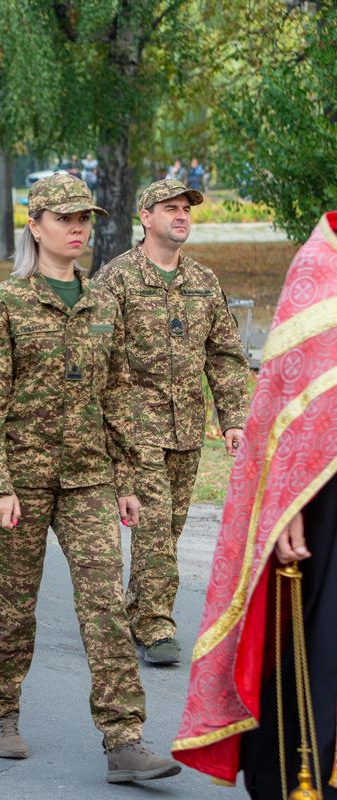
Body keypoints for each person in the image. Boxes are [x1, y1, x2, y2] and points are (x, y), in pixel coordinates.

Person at [0, 173, 179, 782]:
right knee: (14, 602)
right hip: (23, 480)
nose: (78, 229)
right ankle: (1, 708)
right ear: (35, 227)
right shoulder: (6, 303)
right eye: (65, 219)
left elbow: (116, 396)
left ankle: (124, 739)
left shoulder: (100, 301)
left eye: (84, 219)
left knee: (105, 605)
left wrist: (127, 479)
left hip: (89, 477)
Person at [173, 210, 337, 797]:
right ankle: (297, 781)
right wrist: (284, 503)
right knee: (318, 649)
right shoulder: (321, 264)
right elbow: (286, 402)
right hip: (321, 494)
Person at [95, 178, 249, 666]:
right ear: (145, 216)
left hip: (186, 428)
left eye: (186, 208)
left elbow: (223, 354)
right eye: (169, 208)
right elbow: (95, 358)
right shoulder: (115, 279)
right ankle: (155, 626)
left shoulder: (203, 280)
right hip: (134, 428)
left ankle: (137, 608)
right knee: (156, 526)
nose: (181, 215)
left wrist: (233, 419)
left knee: (169, 528)